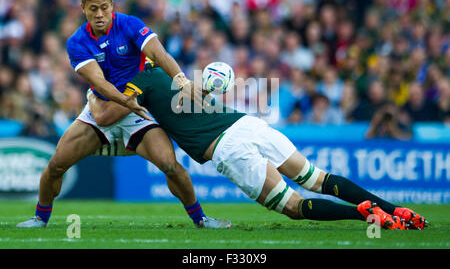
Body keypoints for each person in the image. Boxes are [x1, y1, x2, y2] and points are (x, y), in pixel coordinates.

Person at [89, 65, 428, 230]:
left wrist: (94, 93)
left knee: (293, 206)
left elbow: (105, 117)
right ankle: (396, 210)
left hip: (227, 146)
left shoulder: (139, 81)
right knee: (317, 179)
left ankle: (365, 214)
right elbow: (191, 100)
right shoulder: (169, 71)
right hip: (247, 123)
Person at [17, 0, 230, 229]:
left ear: (112, 6)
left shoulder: (130, 25)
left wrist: (181, 80)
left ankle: (201, 219)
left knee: (171, 165)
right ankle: (40, 219)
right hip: (107, 107)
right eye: (93, 8)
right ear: (83, 7)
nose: (99, 14)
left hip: (134, 111)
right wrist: (125, 101)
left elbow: (159, 54)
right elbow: (98, 82)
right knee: (56, 165)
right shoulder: (77, 42)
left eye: (104, 8)